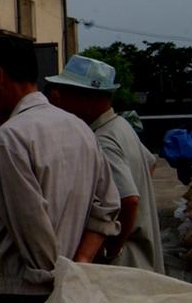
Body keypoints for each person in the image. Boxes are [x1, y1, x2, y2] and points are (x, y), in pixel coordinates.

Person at [0, 37, 119, 303]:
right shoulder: (80, 128)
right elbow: (108, 205)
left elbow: (32, 227)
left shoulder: (8, 140)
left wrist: (56, 275)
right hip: (70, 289)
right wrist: (79, 263)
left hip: (24, 295)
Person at [46, 55, 165, 274]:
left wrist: (112, 249)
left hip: (125, 263)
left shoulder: (103, 141)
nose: (60, 101)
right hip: (140, 258)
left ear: (87, 97)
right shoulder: (121, 126)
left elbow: (129, 200)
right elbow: (150, 163)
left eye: (66, 93)